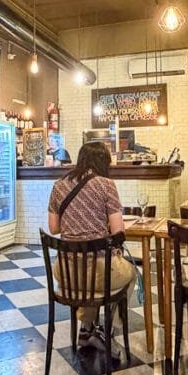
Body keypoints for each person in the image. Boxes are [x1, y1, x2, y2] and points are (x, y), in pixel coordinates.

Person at [47, 142, 136, 351]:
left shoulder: (59, 184)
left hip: (66, 273)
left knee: (87, 278)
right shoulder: (106, 184)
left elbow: (53, 228)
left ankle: (86, 330)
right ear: (103, 162)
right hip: (97, 272)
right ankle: (108, 330)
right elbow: (117, 231)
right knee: (130, 274)